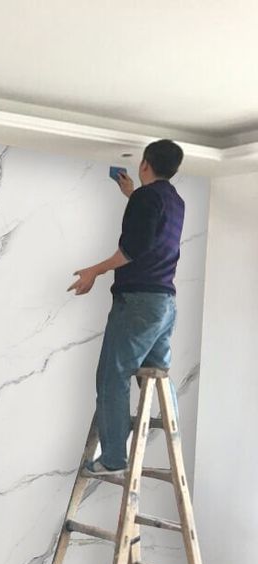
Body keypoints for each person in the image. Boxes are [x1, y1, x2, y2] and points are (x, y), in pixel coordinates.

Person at [68, 139, 185, 476]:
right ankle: (173, 436)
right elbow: (153, 227)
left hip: (137, 303)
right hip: (164, 304)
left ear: (145, 163)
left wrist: (95, 270)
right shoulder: (174, 201)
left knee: (112, 375)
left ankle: (114, 458)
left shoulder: (148, 199)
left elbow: (133, 248)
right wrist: (132, 194)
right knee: (156, 375)